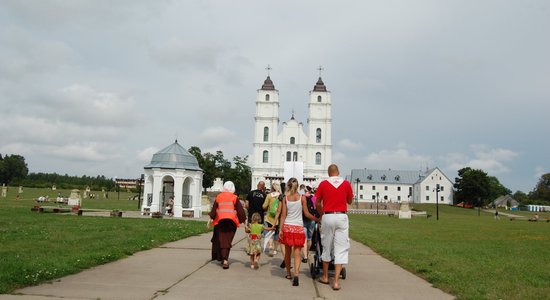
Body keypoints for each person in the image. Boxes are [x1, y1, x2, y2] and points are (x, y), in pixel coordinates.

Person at [315, 164, 354, 291]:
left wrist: (322, 214)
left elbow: (317, 203)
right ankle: (336, 281)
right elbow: (349, 201)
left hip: (328, 216)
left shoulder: (323, 184)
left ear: (328, 173)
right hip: (341, 216)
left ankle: (325, 276)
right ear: (338, 172)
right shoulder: (346, 183)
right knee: (341, 248)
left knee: (326, 245)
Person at [279, 177, 320, 286]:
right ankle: (296, 274)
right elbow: (306, 214)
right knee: (297, 253)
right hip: (298, 228)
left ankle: (288, 273)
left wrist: (280, 229)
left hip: (287, 227)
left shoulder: (285, 199)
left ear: (288, 185)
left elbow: (283, 215)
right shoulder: (302, 198)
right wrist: (317, 219)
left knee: (287, 253)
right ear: (297, 186)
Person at [207, 181, 246, 269]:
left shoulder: (219, 196)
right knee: (227, 241)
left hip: (220, 222)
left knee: (222, 240)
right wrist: (245, 223)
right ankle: (225, 260)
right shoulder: (234, 197)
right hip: (231, 223)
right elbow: (241, 212)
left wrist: (210, 220)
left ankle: (223, 258)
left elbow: (214, 209)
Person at [262, 181, 282, 256]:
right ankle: (275, 250)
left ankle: (270, 245)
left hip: (269, 217)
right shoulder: (281, 196)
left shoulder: (269, 195)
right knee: (276, 234)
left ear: (272, 188)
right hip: (278, 218)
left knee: (269, 232)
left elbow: (264, 206)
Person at [301, 185, 318, 263]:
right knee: (309, 239)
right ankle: (307, 253)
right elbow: (316, 209)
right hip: (312, 220)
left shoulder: (302, 197)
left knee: (303, 238)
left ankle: (304, 256)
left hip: (303, 219)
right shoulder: (314, 198)